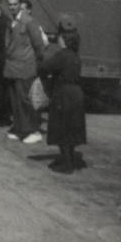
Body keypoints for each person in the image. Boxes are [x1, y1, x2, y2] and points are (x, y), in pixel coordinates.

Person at [40, 26, 86, 174]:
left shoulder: (62, 55)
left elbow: (45, 67)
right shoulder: (75, 56)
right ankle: (70, 159)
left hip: (63, 94)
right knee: (72, 129)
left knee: (61, 128)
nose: (58, 39)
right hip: (76, 93)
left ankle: (66, 164)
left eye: (60, 37)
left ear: (65, 41)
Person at [3, 0, 46, 144]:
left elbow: (39, 45)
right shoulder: (11, 21)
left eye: (15, 4)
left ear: (20, 4)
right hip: (12, 67)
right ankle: (20, 128)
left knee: (25, 100)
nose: (12, 7)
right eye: (10, 4)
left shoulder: (29, 21)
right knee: (15, 101)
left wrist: (36, 63)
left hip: (25, 68)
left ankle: (33, 130)